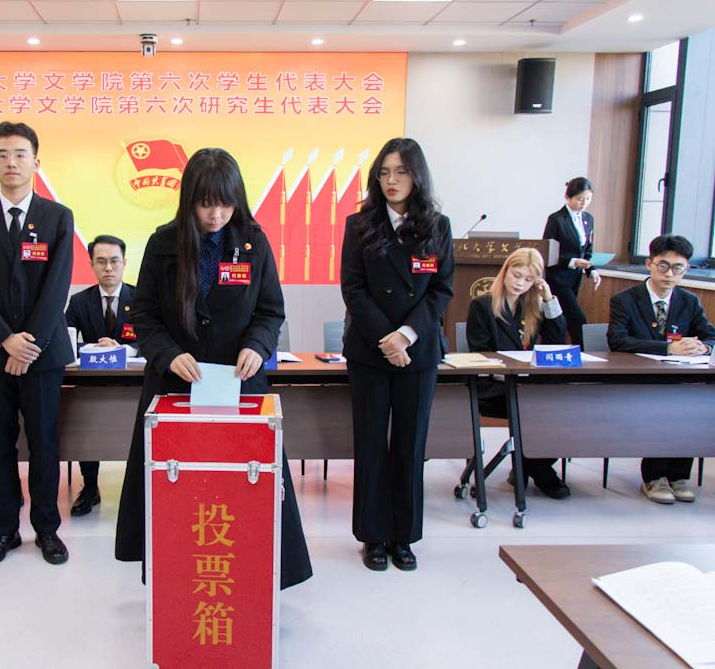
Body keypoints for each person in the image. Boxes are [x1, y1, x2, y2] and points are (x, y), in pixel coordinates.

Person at [114, 147, 312, 589]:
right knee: (175, 490)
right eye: (206, 204)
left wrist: (258, 345)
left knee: (246, 487)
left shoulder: (254, 242)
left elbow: (270, 311)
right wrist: (168, 353)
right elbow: (143, 314)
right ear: (189, 200)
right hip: (175, 385)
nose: (217, 214)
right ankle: (178, 579)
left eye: (226, 203)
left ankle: (252, 579)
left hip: (238, 383)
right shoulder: (163, 243)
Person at [0, 121, 74, 568]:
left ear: (36, 162)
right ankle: (3, 530)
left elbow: (57, 286)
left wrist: (29, 344)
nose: (11, 162)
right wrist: (5, 340)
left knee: (44, 443)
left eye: (20, 154)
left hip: (42, 355)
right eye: (2, 154)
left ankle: (47, 530)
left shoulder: (58, 217)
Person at [340, 137, 454, 572]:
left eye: (401, 171)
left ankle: (403, 536)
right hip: (370, 351)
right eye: (384, 172)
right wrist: (386, 338)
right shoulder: (359, 224)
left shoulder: (437, 226)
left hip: (417, 352)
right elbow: (353, 288)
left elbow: (441, 289)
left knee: (410, 445)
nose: (392, 180)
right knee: (371, 444)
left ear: (417, 175)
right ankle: (372, 536)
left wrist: (405, 335)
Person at [607, 234, 714, 505]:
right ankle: (654, 477)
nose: (669, 274)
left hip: (678, 379)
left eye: (678, 268)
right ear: (649, 264)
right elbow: (617, 340)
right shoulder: (625, 300)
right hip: (636, 380)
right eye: (663, 266)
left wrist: (704, 347)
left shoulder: (689, 301)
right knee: (664, 405)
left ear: (686, 269)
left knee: (692, 406)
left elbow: (710, 335)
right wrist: (668, 348)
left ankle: (678, 477)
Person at [465, 247, 570, 499]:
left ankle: (527, 466)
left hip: (529, 386)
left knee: (562, 406)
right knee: (533, 407)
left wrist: (549, 300)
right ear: (505, 271)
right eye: (516, 275)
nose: (520, 283)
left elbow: (557, 341)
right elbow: (480, 352)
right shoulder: (482, 305)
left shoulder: (533, 305)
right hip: (494, 386)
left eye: (529, 279)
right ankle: (540, 470)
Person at [64, 234, 136, 517]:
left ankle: (136, 488)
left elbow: (155, 338)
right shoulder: (79, 301)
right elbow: (65, 340)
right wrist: (93, 347)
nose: (108, 268)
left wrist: (123, 349)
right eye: (101, 261)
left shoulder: (141, 298)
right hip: (91, 383)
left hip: (132, 384)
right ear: (91, 265)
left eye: (114, 261)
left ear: (124, 263)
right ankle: (90, 487)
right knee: (85, 425)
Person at [543, 177, 602, 348]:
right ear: (567, 197)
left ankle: (556, 349)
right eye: (579, 199)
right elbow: (547, 251)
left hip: (575, 279)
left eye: (588, 199)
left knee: (559, 318)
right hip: (558, 277)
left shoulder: (588, 219)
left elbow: (587, 250)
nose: (584, 203)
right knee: (576, 318)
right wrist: (572, 261)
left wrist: (591, 269)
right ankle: (585, 352)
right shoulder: (556, 219)